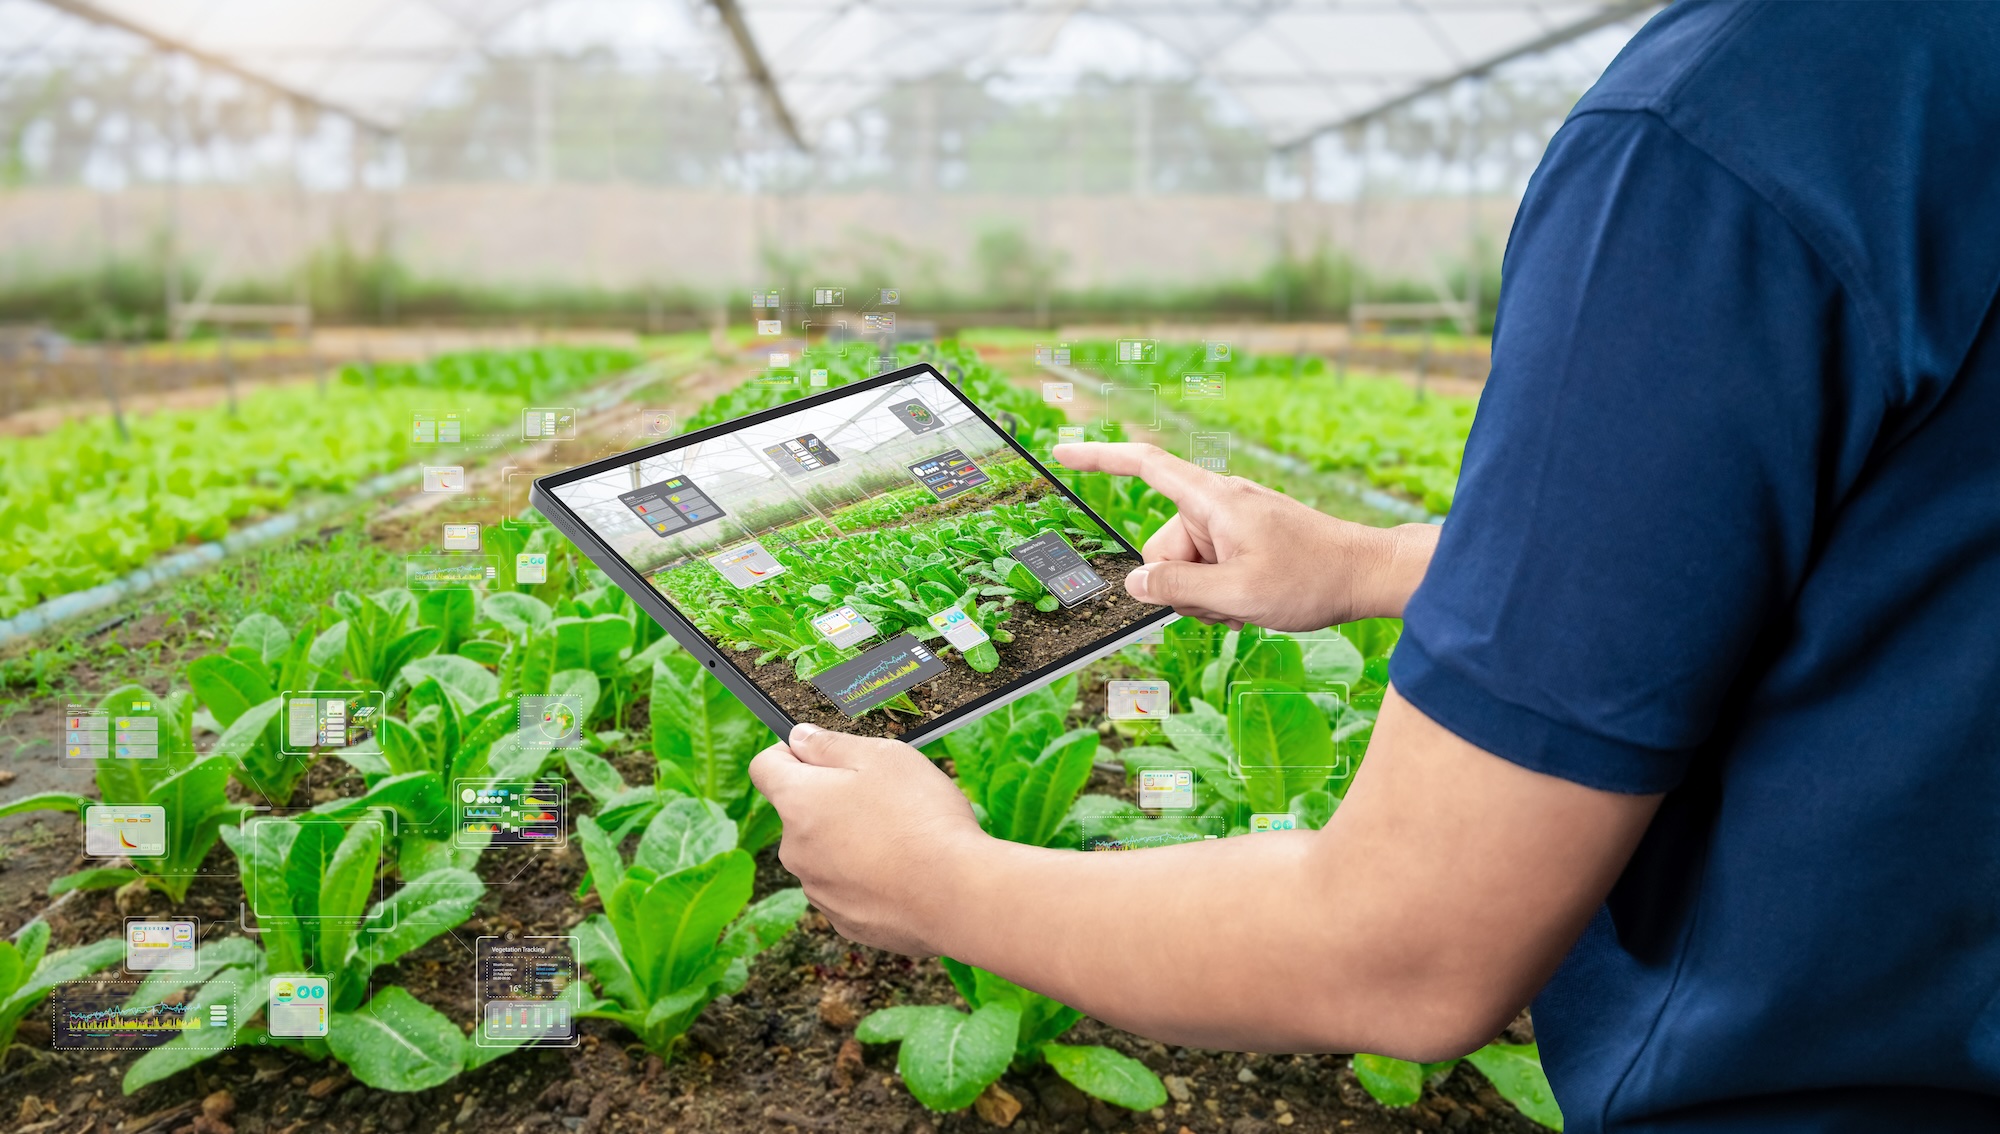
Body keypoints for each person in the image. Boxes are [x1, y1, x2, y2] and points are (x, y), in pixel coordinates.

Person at [750, 3, 2000, 1129]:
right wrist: (1376, 559)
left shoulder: (1730, 119)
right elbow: (1897, 547)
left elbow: (1403, 950)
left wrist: (938, 879)